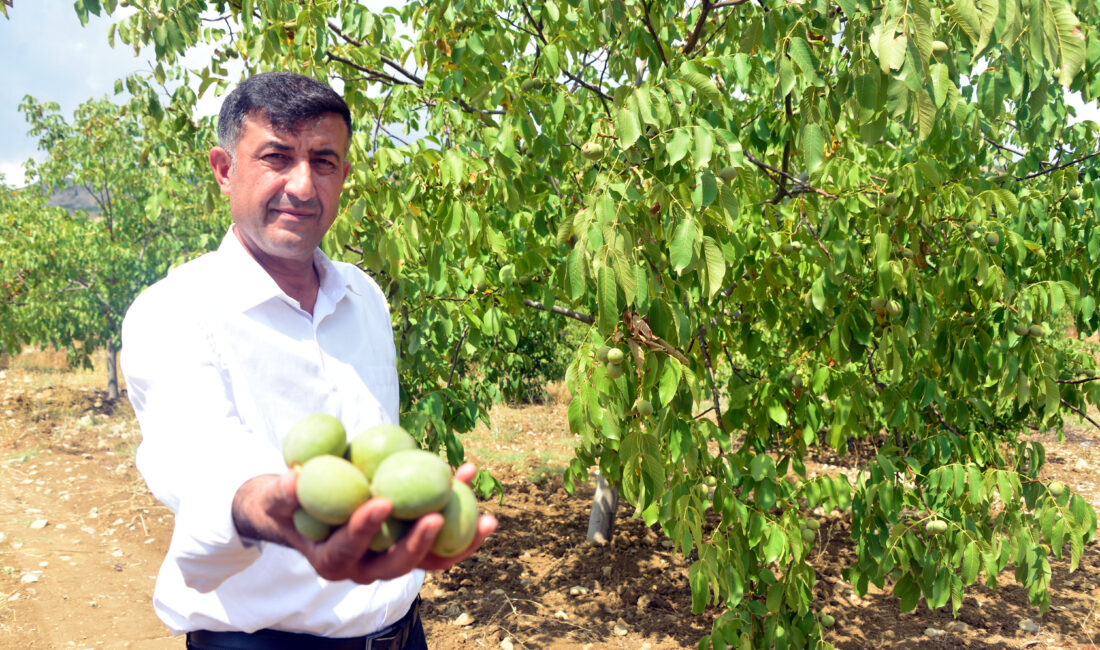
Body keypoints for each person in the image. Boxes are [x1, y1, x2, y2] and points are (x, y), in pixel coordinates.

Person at [121, 71, 496, 649]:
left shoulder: (363, 295)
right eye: (276, 157)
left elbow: (374, 456)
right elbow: (201, 461)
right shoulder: (173, 311)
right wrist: (268, 504)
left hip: (403, 634)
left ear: (343, 176)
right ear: (225, 170)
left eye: (323, 162)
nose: (302, 185)